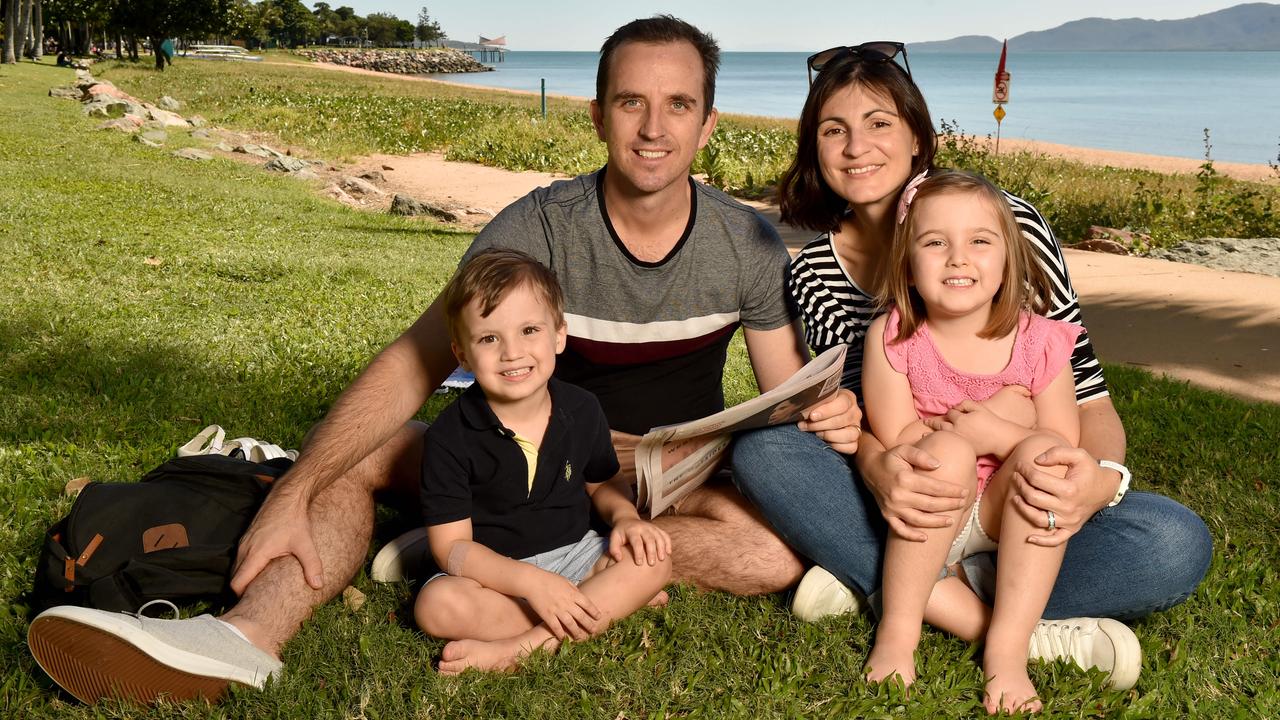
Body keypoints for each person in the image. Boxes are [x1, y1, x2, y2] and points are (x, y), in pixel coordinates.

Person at [26, 16, 860, 705]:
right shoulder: (538, 227)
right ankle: (245, 638)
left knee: (773, 552)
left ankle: (481, 565)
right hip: (518, 449)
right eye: (631, 102)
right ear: (597, 113)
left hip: (660, 469)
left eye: (678, 105)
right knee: (363, 453)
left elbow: (780, 392)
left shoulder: (745, 241)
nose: (654, 127)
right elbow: (415, 361)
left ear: (708, 122)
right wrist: (296, 488)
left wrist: (825, 411)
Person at [731, 42, 1211, 689]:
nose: (856, 146)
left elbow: (1088, 404)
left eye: (880, 123)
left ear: (917, 139)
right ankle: (1002, 626)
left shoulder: (1004, 227)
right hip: (912, 495)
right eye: (833, 129)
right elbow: (864, 420)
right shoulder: (817, 272)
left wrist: (1093, 483)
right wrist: (878, 468)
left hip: (1014, 499)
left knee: (1171, 541)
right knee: (765, 451)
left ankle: (890, 583)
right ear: (814, 147)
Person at [861, 170, 1106, 713]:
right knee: (944, 452)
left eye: (978, 240)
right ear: (908, 261)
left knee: (1048, 465)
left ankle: (1007, 651)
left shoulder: (1042, 341)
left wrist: (996, 430)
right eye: (934, 242)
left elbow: (1062, 444)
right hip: (931, 513)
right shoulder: (895, 336)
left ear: (1007, 260)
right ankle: (899, 632)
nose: (957, 258)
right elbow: (898, 436)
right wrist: (976, 432)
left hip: (1007, 514)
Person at [414, 248, 670, 674]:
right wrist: (533, 584)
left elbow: (604, 484)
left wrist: (625, 518)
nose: (512, 353)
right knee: (436, 606)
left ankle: (526, 646)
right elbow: (451, 548)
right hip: (496, 576)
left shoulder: (583, 409)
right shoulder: (448, 437)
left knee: (655, 557)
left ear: (559, 335)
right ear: (462, 354)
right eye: (489, 338)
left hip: (576, 554)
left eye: (529, 330)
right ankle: (598, 608)